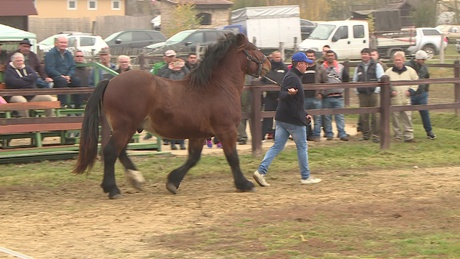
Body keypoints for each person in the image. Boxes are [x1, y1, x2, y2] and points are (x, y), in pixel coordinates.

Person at [253, 52, 321, 187]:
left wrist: (304, 112)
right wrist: (290, 95)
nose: (307, 65)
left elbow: (292, 99)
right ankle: (305, 177)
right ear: (299, 64)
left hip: (282, 118)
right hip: (293, 120)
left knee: (277, 146)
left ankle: (260, 172)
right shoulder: (293, 78)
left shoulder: (291, 76)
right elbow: (284, 96)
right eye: (306, 63)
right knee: (302, 147)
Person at [4, 52, 54, 117]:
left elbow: (35, 76)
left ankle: (50, 121)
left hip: (31, 95)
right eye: (17, 61)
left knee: (48, 98)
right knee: (22, 102)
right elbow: (14, 83)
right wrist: (28, 80)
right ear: (13, 61)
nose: (19, 62)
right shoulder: (9, 71)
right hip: (15, 95)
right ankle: (26, 123)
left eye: (21, 60)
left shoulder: (27, 68)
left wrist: (21, 80)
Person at [385, 51, 419, 142]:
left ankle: (409, 136)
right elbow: (385, 85)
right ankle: (397, 136)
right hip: (394, 99)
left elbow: (416, 82)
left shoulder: (410, 71)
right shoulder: (388, 72)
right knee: (395, 118)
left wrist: (411, 91)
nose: (398, 62)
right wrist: (390, 92)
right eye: (396, 60)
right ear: (393, 61)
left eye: (399, 60)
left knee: (407, 117)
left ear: (403, 60)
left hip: (406, 98)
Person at [353, 48, 384, 143]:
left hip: (373, 93)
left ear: (369, 55)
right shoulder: (358, 67)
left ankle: (376, 135)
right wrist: (357, 91)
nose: (364, 56)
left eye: (366, 54)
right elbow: (355, 80)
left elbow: (381, 78)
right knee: (364, 115)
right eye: (362, 54)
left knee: (376, 115)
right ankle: (365, 135)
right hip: (362, 94)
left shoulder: (377, 66)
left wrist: (376, 90)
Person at [159, 58, 189, 150]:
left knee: (183, 123)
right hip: (171, 100)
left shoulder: (184, 73)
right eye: (175, 63)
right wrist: (170, 69)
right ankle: (172, 143)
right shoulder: (168, 72)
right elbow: (162, 79)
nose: (177, 65)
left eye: (178, 63)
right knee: (172, 123)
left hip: (183, 100)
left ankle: (182, 143)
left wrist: (183, 67)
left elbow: (190, 76)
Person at [406, 50, 436, 140]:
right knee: (406, 114)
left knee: (425, 113)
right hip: (411, 93)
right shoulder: (408, 66)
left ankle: (429, 131)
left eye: (424, 60)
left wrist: (426, 90)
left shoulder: (424, 67)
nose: (424, 61)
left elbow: (427, 77)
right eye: (422, 59)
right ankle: (407, 132)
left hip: (422, 93)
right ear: (417, 59)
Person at [45, 36, 81, 108]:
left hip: (67, 76)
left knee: (77, 81)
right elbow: (50, 68)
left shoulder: (68, 54)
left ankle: (78, 105)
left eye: (65, 43)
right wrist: (60, 75)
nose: (63, 44)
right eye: (61, 42)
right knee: (62, 81)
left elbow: (72, 66)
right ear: (56, 43)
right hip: (55, 77)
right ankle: (62, 104)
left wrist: (69, 76)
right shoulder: (51, 54)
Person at [321, 50, 349, 141]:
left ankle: (342, 133)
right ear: (326, 57)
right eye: (328, 55)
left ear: (334, 56)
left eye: (332, 55)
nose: (330, 57)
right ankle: (329, 134)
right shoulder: (321, 67)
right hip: (326, 96)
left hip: (338, 96)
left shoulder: (341, 67)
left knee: (339, 116)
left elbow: (346, 79)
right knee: (327, 116)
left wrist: (342, 88)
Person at [260, 50, 288, 140]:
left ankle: (278, 136)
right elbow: (262, 80)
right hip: (269, 96)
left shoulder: (284, 68)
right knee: (267, 117)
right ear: (272, 57)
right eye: (276, 57)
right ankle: (262, 135)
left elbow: (288, 80)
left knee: (280, 118)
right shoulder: (268, 68)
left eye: (279, 57)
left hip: (281, 97)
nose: (278, 59)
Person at [302, 49, 328, 142]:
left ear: (315, 57)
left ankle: (316, 135)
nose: (310, 58)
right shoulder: (301, 68)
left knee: (317, 118)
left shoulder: (320, 68)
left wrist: (321, 93)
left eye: (312, 56)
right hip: (304, 97)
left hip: (316, 97)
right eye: (308, 56)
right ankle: (308, 135)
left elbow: (325, 82)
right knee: (304, 118)